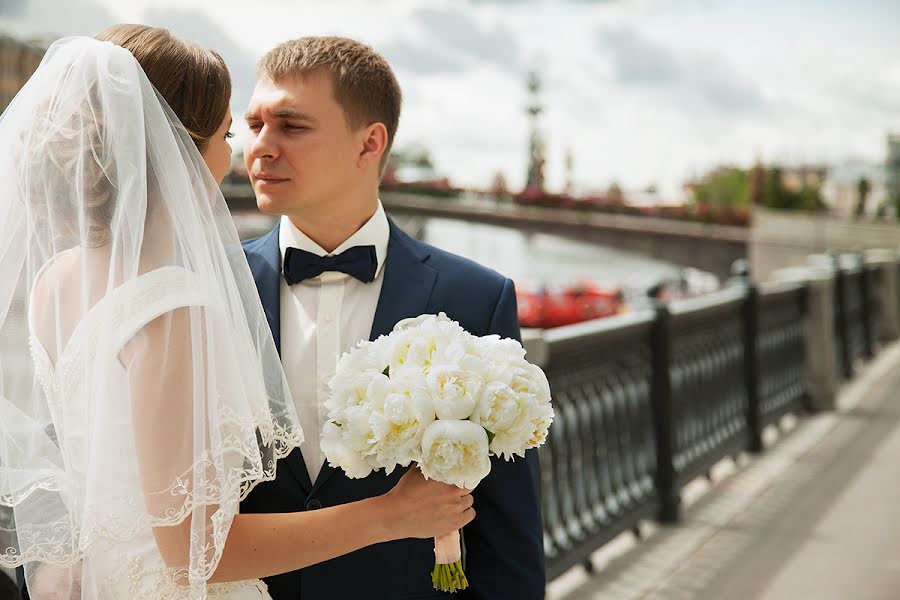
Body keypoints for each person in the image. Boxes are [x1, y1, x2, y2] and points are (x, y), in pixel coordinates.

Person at [0, 25, 474, 600]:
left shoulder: (56, 279)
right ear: (179, 149)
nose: (241, 154)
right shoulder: (174, 308)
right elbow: (192, 551)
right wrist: (389, 515)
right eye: (229, 132)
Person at [239, 36, 546, 599]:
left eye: (291, 126)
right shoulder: (216, 287)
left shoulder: (476, 297)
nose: (261, 146)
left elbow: (509, 533)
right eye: (254, 125)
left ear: (369, 144)